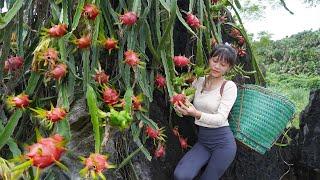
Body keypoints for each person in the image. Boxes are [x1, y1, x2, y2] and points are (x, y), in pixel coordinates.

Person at [173, 44, 238, 180]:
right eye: (215, 61)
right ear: (209, 59)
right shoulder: (199, 80)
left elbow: (220, 118)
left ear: (229, 68)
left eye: (223, 64)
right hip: (203, 141)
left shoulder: (229, 87)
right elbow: (186, 100)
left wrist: (196, 114)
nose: (217, 66)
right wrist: (178, 105)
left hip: (223, 144)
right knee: (181, 176)